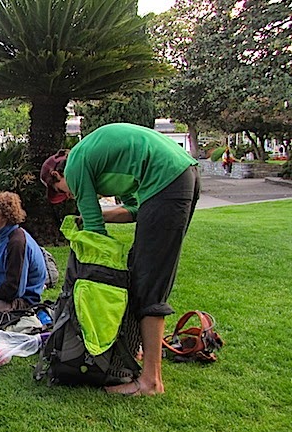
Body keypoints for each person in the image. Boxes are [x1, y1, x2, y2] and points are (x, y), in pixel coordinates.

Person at [40, 122, 200, 396]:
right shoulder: (103, 164)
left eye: (63, 192)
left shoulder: (76, 165)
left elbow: (95, 233)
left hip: (166, 180)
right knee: (142, 276)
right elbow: (135, 209)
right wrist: (97, 214)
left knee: (149, 285)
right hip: (182, 174)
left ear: (57, 174)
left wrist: (95, 278)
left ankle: (151, 382)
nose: (70, 196)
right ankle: (137, 354)